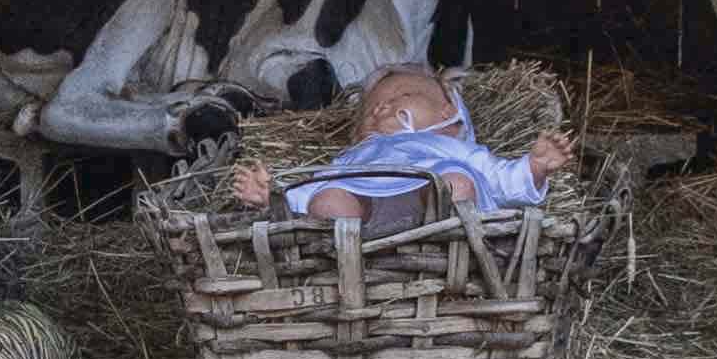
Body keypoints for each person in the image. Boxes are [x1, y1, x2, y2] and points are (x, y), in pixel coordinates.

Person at [227, 64, 577, 227]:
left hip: (432, 198)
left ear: (449, 114)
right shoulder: (355, 157)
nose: (381, 107)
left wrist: (535, 167)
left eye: (402, 96)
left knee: (457, 182)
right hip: (367, 216)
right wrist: (273, 197)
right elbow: (312, 189)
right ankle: (343, 258)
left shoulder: (449, 148)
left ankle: (447, 246)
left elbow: (500, 177)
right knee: (330, 198)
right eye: (371, 108)